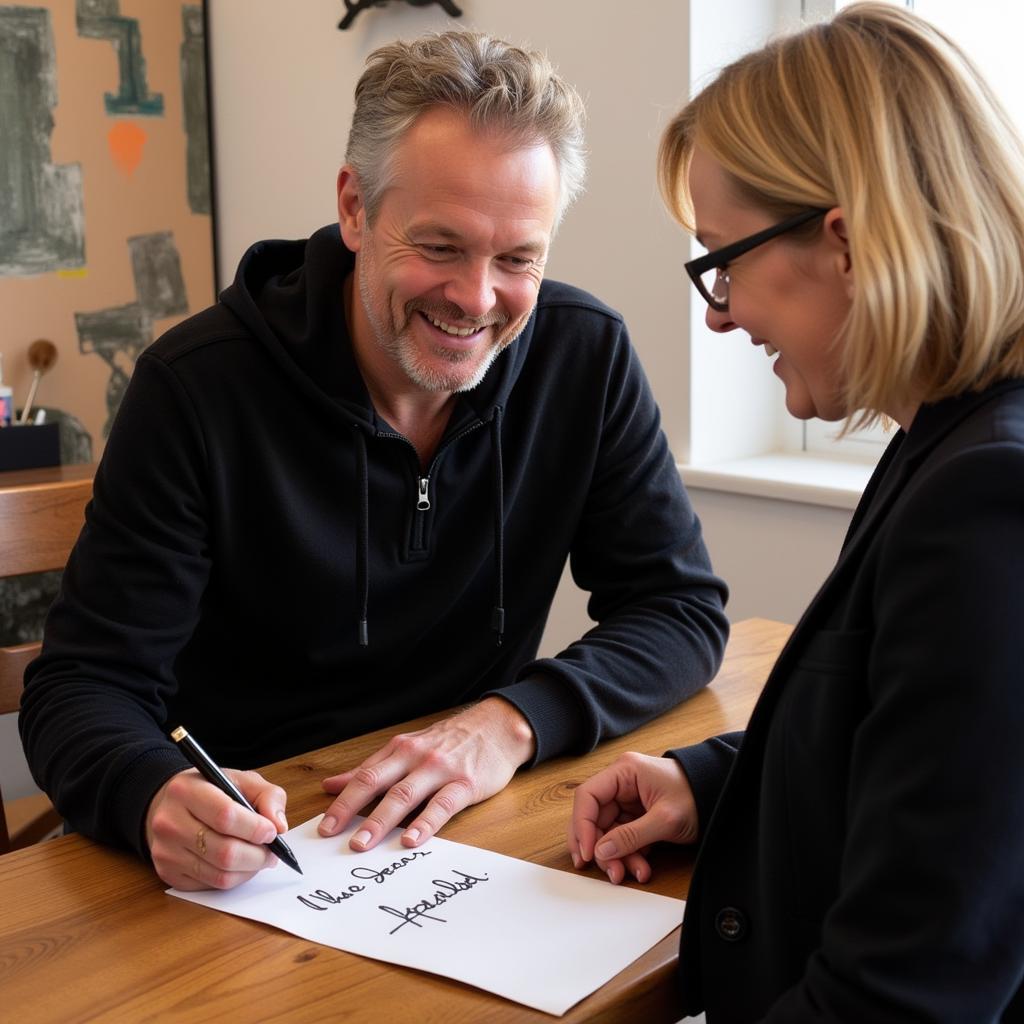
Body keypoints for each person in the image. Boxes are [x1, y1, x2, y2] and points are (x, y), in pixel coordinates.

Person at [19, 31, 728, 893]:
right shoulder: (195, 388)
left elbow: (679, 608)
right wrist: (149, 794)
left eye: (517, 259)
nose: (476, 298)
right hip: (254, 864)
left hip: (463, 836)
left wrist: (509, 723)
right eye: (439, 247)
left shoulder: (584, 356)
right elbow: (83, 685)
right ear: (355, 209)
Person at [568, 4, 1024, 1020]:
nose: (717, 312)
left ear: (850, 242)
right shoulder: (942, 442)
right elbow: (923, 755)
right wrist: (715, 786)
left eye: (722, 261)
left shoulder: (988, 506)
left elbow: (903, 994)